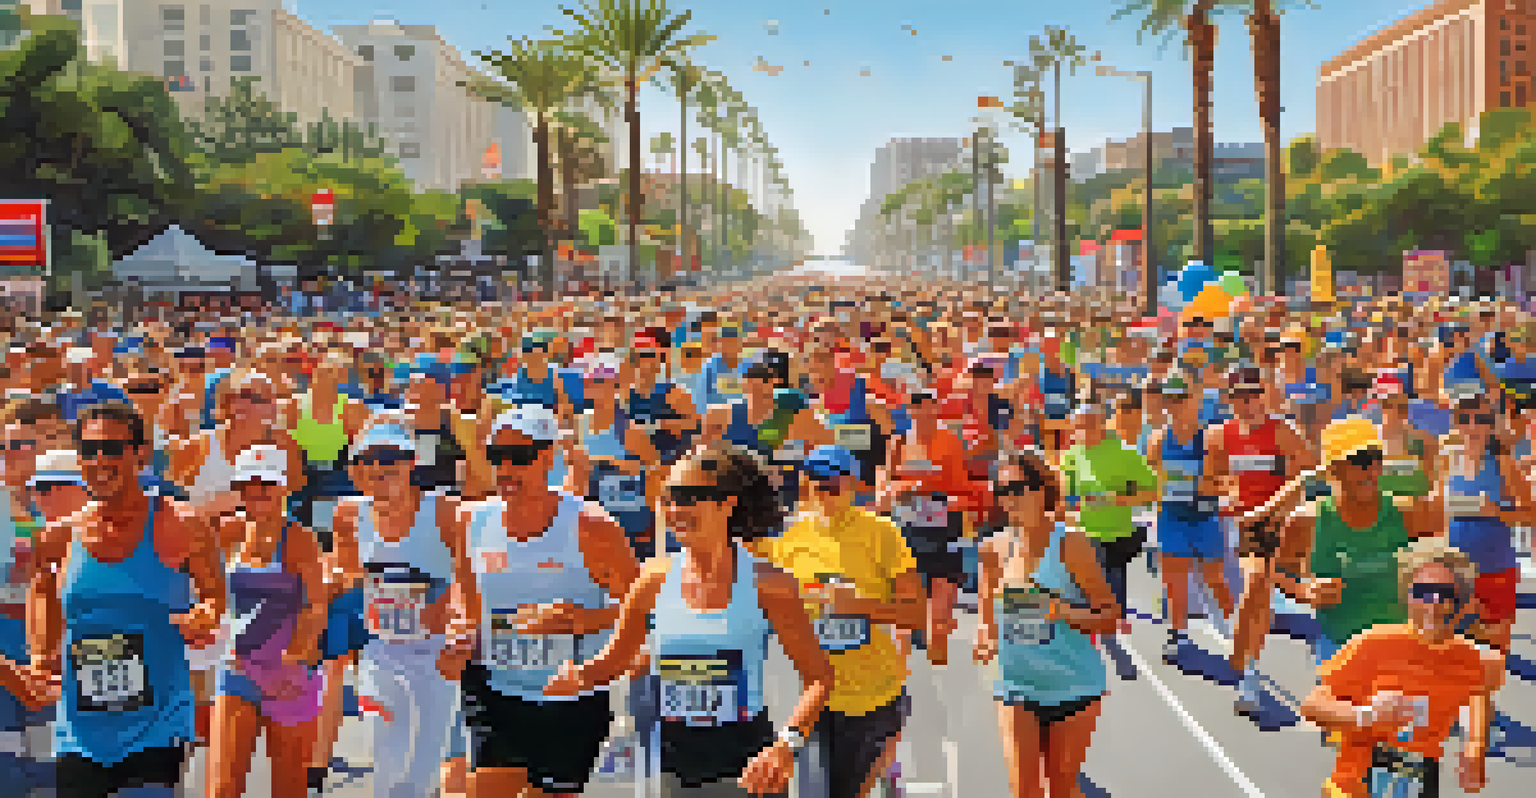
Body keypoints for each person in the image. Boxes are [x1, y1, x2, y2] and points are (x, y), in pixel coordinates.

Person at [545, 442, 835, 796]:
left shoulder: (770, 584)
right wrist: (575, 676)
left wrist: (786, 746)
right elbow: (616, 660)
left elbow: (819, 677)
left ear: (727, 503)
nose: (674, 509)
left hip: (749, 772)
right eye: (669, 498)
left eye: (688, 497)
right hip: (675, 771)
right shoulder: (652, 579)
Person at [29, 403, 226, 797]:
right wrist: (41, 652)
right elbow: (42, 587)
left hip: (157, 726)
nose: (100, 460)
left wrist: (203, 616)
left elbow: (215, 597)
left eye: (113, 448)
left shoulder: (183, 525)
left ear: (140, 453)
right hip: (79, 731)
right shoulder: (60, 536)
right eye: (89, 450)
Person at [454, 405, 640, 797]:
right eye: (497, 456)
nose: (506, 468)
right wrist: (458, 633)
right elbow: (468, 606)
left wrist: (582, 619)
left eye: (519, 456)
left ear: (549, 456)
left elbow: (645, 610)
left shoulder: (592, 527)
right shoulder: (473, 522)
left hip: (568, 700)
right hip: (495, 694)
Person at [752, 445, 924, 798]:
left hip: (870, 696)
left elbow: (916, 612)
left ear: (854, 483)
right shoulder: (786, 537)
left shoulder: (882, 533)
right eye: (816, 479)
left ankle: (888, 770)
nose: (824, 488)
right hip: (810, 699)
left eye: (833, 480)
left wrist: (859, 605)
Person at [330, 419, 474, 798]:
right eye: (370, 459)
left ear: (411, 462)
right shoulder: (347, 515)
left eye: (390, 457)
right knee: (388, 767)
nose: (381, 467)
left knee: (432, 768)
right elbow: (348, 581)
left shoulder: (446, 512)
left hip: (438, 655)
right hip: (381, 654)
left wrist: (459, 624)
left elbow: (470, 579)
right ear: (357, 469)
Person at [1300, 538, 1503, 797]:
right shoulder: (1374, 643)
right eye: (1423, 592)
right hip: (1353, 787)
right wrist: (1366, 715)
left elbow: (1479, 694)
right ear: (1408, 596)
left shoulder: (1477, 661)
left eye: (1446, 594)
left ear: (1463, 603)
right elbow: (1313, 705)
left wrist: (1475, 746)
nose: (1433, 604)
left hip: (1418, 782)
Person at [975, 451, 1119, 798]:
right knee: (1024, 791)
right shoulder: (993, 549)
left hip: (1073, 687)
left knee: (1061, 788)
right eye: (1002, 491)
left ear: (1042, 490)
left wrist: (1060, 610)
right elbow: (987, 612)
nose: (1008, 499)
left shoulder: (1071, 544)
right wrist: (986, 639)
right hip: (1015, 685)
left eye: (1016, 489)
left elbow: (1110, 616)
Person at [205, 445, 327, 798]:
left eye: (266, 483)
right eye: (249, 484)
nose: (257, 492)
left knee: (289, 790)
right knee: (222, 789)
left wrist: (294, 659)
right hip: (237, 672)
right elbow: (208, 592)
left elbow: (315, 606)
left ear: (284, 486)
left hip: (291, 678)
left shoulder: (300, 539)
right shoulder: (226, 532)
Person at [1057, 402, 1160, 680]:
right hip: (1084, 534)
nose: (1081, 432)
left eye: (1087, 425)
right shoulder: (1072, 454)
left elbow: (1153, 491)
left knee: (1113, 593)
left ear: (1101, 424)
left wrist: (1118, 499)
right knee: (1087, 592)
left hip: (1118, 534)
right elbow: (1065, 493)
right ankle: (1097, 649)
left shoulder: (1124, 453)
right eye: (1077, 427)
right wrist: (1069, 506)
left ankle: (1113, 642)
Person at [1145, 375, 1234, 663]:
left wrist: (1206, 485)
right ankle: (1178, 633)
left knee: (1214, 579)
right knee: (1174, 581)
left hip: (1204, 516)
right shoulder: (1157, 440)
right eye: (1170, 399)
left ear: (1196, 400)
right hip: (1172, 517)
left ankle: (1236, 629)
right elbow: (1151, 480)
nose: (1176, 405)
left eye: (1182, 398)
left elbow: (1225, 481)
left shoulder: (1212, 438)